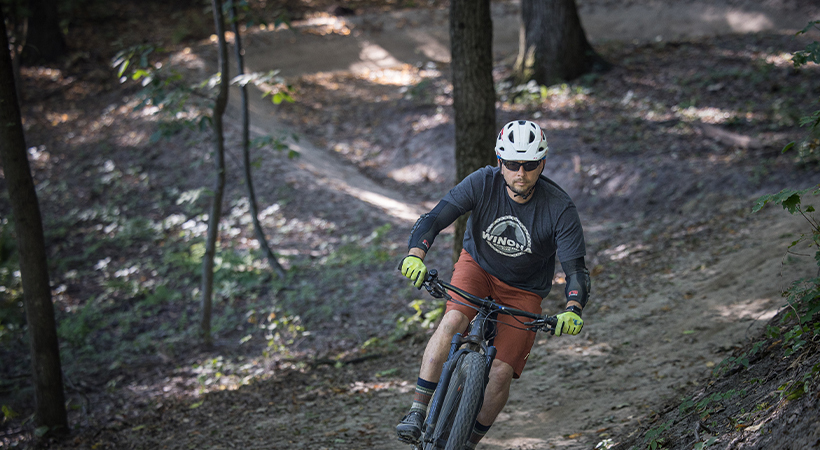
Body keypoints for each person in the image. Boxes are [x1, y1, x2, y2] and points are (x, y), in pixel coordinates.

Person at [395, 120, 591, 449]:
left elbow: (576, 271)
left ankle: (465, 442)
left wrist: (573, 309)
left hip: (524, 290)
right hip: (478, 267)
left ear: (542, 163)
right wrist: (415, 255)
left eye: (529, 165)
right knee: (454, 320)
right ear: (500, 161)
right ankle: (417, 411)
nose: (520, 173)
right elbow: (435, 218)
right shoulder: (483, 182)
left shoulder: (559, 207)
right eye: (512, 164)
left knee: (500, 372)